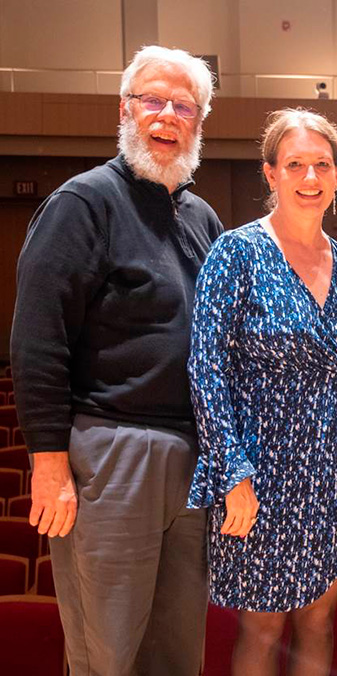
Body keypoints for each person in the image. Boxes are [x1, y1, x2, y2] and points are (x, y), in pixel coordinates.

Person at [10, 46, 220, 675]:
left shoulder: (202, 219)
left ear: (199, 124)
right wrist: (49, 464)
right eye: (151, 100)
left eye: (183, 106)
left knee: (178, 652)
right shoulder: (84, 203)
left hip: (191, 456)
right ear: (124, 109)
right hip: (110, 450)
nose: (166, 115)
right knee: (108, 654)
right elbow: (39, 340)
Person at [187, 108, 337, 676]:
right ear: (271, 174)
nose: (310, 177)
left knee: (319, 620)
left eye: (322, 164)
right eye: (295, 164)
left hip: (335, 470)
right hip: (261, 472)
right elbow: (205, 367)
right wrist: (231, 472)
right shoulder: (237, 253)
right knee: (263, 625)